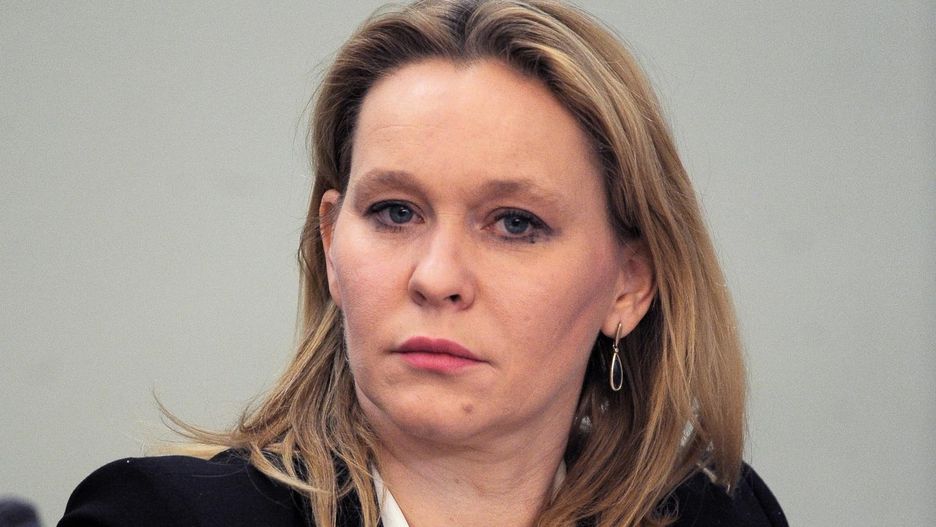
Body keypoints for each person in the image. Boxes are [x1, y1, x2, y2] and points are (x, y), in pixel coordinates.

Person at [60, 1, 787, 526]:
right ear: (331, 244)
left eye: (515, 223)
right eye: (395, 212)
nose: (437, 278)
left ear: (629, 284)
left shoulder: (720, 514)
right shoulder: (161, 517)